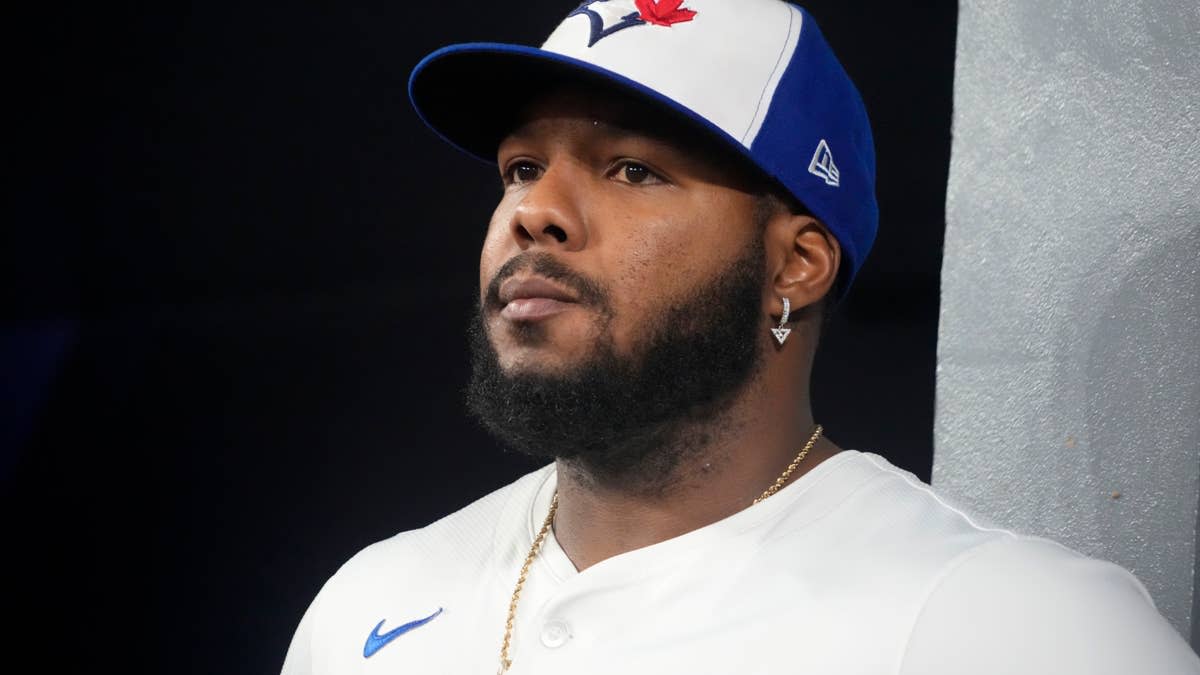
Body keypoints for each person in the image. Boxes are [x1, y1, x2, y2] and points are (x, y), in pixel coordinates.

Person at [281, 1, 1199, 672]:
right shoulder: (372, 600)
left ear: (796, 264)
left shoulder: (1015, 630)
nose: (535, 212)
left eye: (632, 169)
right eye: (522, 167)